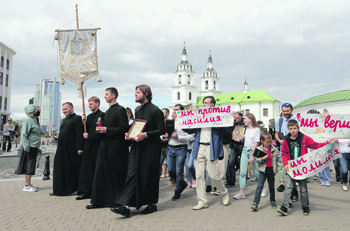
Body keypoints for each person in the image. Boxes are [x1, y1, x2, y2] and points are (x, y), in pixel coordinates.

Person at [111, 85, 165, 218]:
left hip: (151, 149)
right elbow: (137, 126)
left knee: (149, 176)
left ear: (146, 93)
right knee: (132, 175)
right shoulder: (138, 109)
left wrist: (145, 135)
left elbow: (161, 130)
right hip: (137, 147)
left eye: (138, 92)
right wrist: (129, 134)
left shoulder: (155, 110)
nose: (135, 94)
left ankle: (151, 204)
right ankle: (126, 206)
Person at [277, 119, 337, 216]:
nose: (293, 130)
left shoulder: (304, 138)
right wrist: (285, 164)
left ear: (298, 128)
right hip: (291, 167)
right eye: (291, 128)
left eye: (295, 128)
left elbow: (316, 145)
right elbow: (284, 153)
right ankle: (284, 207)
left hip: (302, 168)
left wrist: (328, 143)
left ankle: (305, 206)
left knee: (303, 188)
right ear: (288, 129)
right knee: (288, 187)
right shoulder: (286, 140)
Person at [184, 96, 234, 210]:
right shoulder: (199, 116)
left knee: (213, 175)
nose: (204, 105)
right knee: (199, 175)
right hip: (199, 147)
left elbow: (227, 131)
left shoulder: (218, 117)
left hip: (211, 148)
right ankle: (202, 201)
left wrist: (231, 120)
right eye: (203, 103)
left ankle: (224, 191)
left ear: (212, 105)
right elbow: (190, 129)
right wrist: (181, 121)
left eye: (206, 103)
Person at [86, 89, 130, 209]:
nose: (104, 96)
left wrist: (107, 130)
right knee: (100, 173)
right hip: (104, 146)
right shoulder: (107, 112)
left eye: (106, 94)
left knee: (114, 174)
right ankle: (98, 201)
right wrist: (99, 129)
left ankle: (116, 201)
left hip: (116, 147)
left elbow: (123, 128)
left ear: (113, 95)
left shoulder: (120, 110)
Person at [50, 102, 84, 196]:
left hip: (72, 148)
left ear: (72, 108)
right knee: (60, 168)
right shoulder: (64, 120)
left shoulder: (77, 118)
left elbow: (79, 134)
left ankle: (72, 189)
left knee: (70, 170)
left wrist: (80, 148)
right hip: (62, 148)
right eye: (63, 110)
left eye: (66, 109)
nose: (64, 111)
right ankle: (59, 189)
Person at [76, 96, 105, 201]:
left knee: (94, 169)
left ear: (97, 104)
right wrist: (83, 121)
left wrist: (90, 136)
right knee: (85, 170)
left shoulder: (102, 115)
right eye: (88, 104)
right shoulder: (89, 116)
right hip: (88, 146)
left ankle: (94, 192)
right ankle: (85, 191)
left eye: (91, 104)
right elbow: (86, 129)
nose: (89, 106)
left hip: (96, 146)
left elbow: (99, 132)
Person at [166, 104, 193, 201]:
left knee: (179, 172)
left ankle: (177, 192)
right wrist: (165, 136)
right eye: (173, 109)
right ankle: (183, 184)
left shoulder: (186, 122)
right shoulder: (170, 122)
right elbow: (165, 135)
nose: (174, 111)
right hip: (170, 148)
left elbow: (190, 137)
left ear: (182, 111)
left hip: (181, 148)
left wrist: (179, 137)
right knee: (170, 171)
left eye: (177, 110)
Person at [251, 132, 282, 211]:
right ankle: (255, 202)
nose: (269, 143)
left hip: (271, 170)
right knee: (259, 186)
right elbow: (256, 159)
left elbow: (279, 158)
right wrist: (262, 159)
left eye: (270, 142)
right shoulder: (259, 149)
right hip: (262, 170)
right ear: (262, 141)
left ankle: (272, 201)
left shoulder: (274, 149)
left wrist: (281, 164)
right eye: (267, 142)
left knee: (271, 187)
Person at [233, 113, 261, 200]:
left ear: (250, 120)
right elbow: (244, 140)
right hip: (245, 150)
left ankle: (263, 188)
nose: (244, 120)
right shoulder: (244, 129)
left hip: (254, 150)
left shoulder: (257, 129)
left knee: (256, 172)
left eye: (245, 119)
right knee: (243, 172)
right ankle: (242, 192)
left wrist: (252, 155)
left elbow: (256, 143)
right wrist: (241, 138)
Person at [14, 105, 41, 192]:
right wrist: (26, 147)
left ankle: (29, 184)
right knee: (28, 165)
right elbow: (24, 134)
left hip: (34, 146)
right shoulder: (28, 120)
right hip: (29, 146)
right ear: (32, 110)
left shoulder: (35, 120)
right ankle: (26, 186)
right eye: (37, 109)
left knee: (31, 165)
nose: (39, 110)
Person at [275, 103, 296, 193]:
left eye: (287, 111)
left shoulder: (296, 120)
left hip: (294, 148)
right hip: (283, 148)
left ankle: (293, 191)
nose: (285, 113)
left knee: (292, 169)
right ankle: (282, 184)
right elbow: (276, 134)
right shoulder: (280, 121)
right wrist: (280, 141)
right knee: (282, 166)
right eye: (284, 111)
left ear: (291, 110)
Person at [226, 112, 244, 187]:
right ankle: (231, 181)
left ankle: (243, 181)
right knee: (231, 163)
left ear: (241, 117)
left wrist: (241, 140)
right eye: (234, 118)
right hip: (234, 145)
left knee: (242, 164)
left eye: (236, 118)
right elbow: (230, 135)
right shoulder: (232, 124)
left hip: (242, 145)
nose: (235, 119)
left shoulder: (245, 125)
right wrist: (230, 146)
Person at [160, 108, 170, 179]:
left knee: (170, 163)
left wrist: (167, 138)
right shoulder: (159, 122)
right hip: (160, 145)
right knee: (159, 163)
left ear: (167, 114)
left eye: (163, 113)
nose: (161, 114)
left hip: (168, 145)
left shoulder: (169, 122)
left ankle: (173, 180)